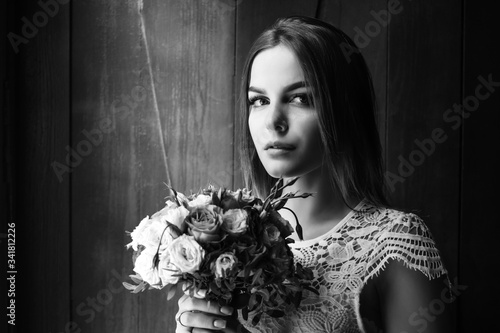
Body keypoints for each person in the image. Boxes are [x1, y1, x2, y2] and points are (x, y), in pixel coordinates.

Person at [175, 16, 451, 333]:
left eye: (300, 98)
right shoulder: (227, 239)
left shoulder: (394, 243)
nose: (273, 121)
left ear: (344, 108)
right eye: (259, 100)